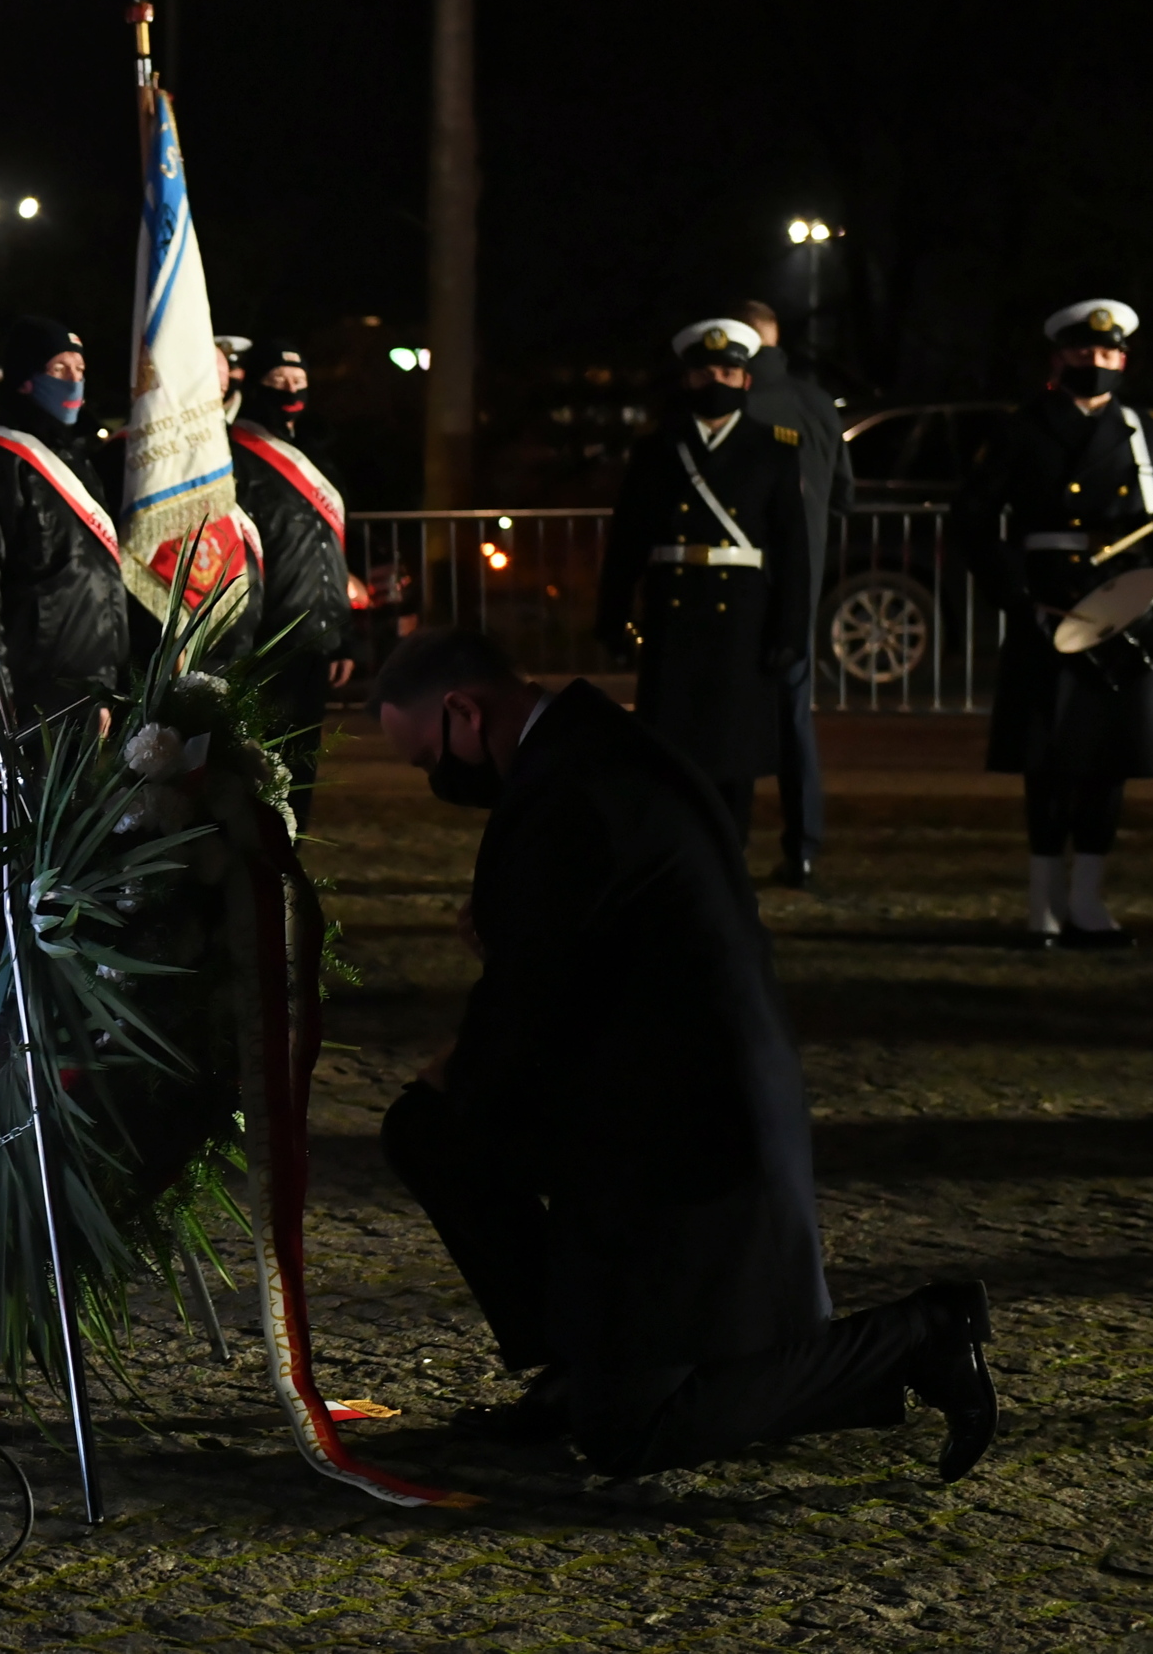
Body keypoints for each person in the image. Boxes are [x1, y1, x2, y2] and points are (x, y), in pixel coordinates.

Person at [366, 628, 998, 1481]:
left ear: (463, 711)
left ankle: (914, 1341)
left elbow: (538, 992)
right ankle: (581, 1363)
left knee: (634, 1432)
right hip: (656, 1106)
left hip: (693, 1146)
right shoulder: (585, 754)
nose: (438, 781)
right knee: (432, 1132)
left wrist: (460, 1070)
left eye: (427, 759)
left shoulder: (572, 785)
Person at [954, 299, 1153, 948]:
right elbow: (973, 521)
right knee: (1050, 759)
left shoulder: (1149, 431)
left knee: (1109, 760)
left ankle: (1088, 899)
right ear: (1059, 357)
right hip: (1051, 607)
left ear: (1124, 358)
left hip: (1125, 612)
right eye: (1084, 353)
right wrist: (1016, 596)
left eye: (1109, 353)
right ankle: (1044, 902)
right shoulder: (1022, 428)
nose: (1098, 362)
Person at [597, 318, 810, 842]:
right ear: (686, 379)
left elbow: (792, 548)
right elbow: (628, 540)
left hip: (743, 621)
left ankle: (728, 866)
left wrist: (790, 628)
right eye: (704, 372)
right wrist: (612, 615)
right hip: (674, 617)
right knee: (669, 755)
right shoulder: (657, 449)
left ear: (745, 380)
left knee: (733, 758)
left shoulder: (775, 448)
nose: (715, 381)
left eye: (726, 371)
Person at [0, 314, 132, 725]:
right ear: (25, 378)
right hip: (29, 701)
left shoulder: (79, 463)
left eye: (79, 370)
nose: (73, 381)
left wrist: (111, 688)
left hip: (91, 697)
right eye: (58, 369)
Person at [736, 301, 852, 890]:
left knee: (722, 716)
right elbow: (845, 495)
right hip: (801, 581)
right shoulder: (816, 403)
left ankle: (722, 842)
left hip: (741, 581)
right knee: (794, 717)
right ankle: (802, 845)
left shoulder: (738, 405)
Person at [227, 336, 357, 827]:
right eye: (278, 382)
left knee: (299, 770)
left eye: (299, 382)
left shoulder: (319, 461)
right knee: (259, 769)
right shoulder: (238, 455)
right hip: (265, 639)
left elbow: (331, 557)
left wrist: (341, 636)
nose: (290, 391)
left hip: (313, 641)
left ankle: (289, 872)